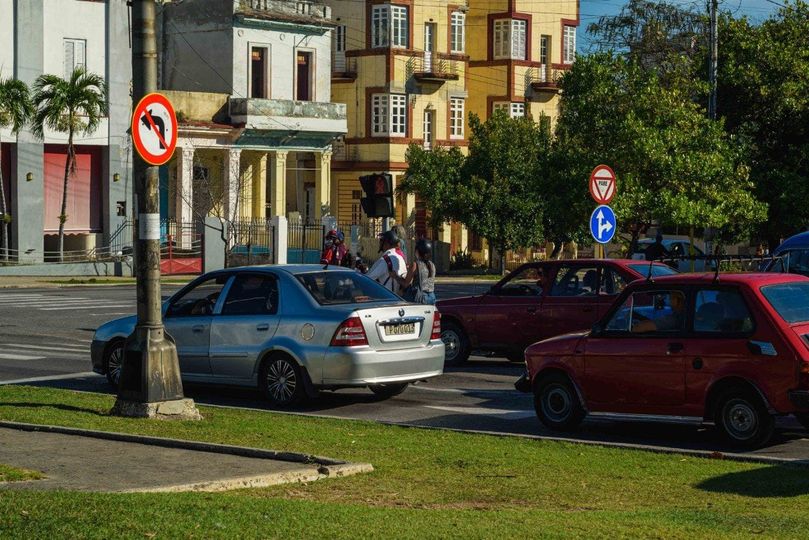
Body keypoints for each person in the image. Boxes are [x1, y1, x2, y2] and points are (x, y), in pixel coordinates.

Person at [392, 238, 437, 304]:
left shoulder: (415, 264)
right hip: (432, 297)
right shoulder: (432, 265)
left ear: (417, 251)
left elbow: (405, 284)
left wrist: (395, 276)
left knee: (397, 298)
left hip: (420, 298)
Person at [365, 230, 407, 294]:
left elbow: (368, 278)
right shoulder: (400, 258)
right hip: (398, 298)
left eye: (381, 240)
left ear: (387, 243)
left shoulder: (385, 260)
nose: (379, 243)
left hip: (385, 298)